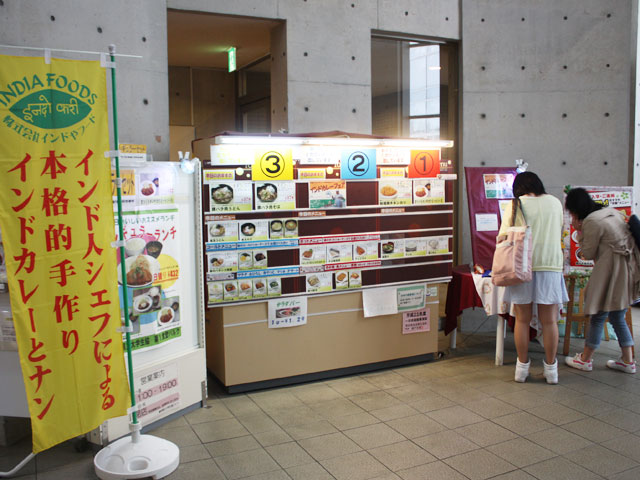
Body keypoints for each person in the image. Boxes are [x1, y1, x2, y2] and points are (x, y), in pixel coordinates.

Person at [497, 172, 567, 384]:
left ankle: (521, 368)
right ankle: (551, 371)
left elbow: (502, 237)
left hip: (521, 267)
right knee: (549, 320)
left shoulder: (515, 205)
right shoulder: (555, 203)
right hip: (550, 266)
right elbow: (560, 230)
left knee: (522, 319)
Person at [564, 188, 640, 374]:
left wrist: (578, 230)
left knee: (597, 314)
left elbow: (588, 253)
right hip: (627, 269)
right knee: (617, 316)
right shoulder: (610, 211)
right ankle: (628, 361)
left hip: (611, 273)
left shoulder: (591, 221)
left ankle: (585, 359)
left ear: (575, 210)